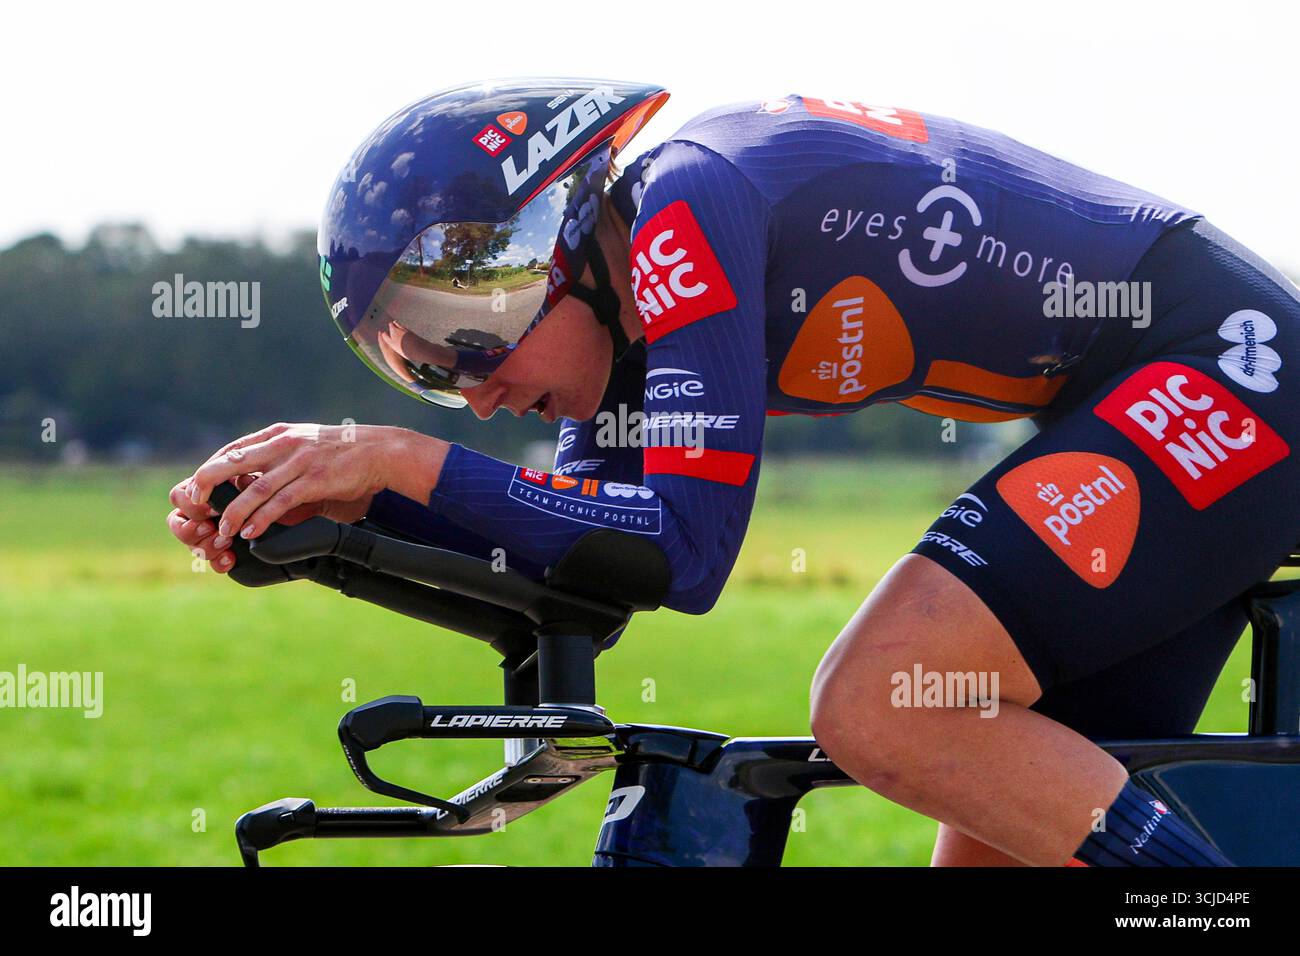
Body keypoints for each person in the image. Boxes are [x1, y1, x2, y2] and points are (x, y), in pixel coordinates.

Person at [167, 79, 1300, 866]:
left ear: (549, 247)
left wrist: (404, 460)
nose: (469, 390)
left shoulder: (686, 203)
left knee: (883, 698)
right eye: (409, 363)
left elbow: (686, 548)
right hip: (1147, 393)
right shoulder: (622, 320)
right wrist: (347, 524)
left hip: (1225, 363)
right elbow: (593, 569)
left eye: (459, 333)